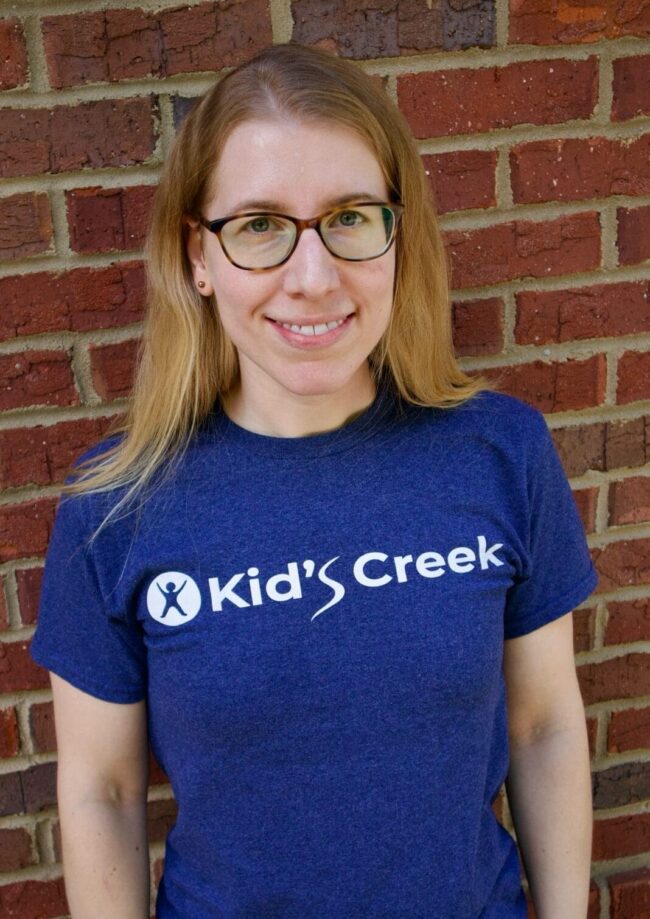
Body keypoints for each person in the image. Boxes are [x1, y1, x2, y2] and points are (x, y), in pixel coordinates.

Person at [31, 42, 597, 919]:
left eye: (350, 217)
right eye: (259, 225)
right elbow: (102, 789)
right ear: (197, 258)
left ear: (397, 236)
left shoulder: (500, 452)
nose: (313, 277)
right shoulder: (116, 508)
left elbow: (544, 724)